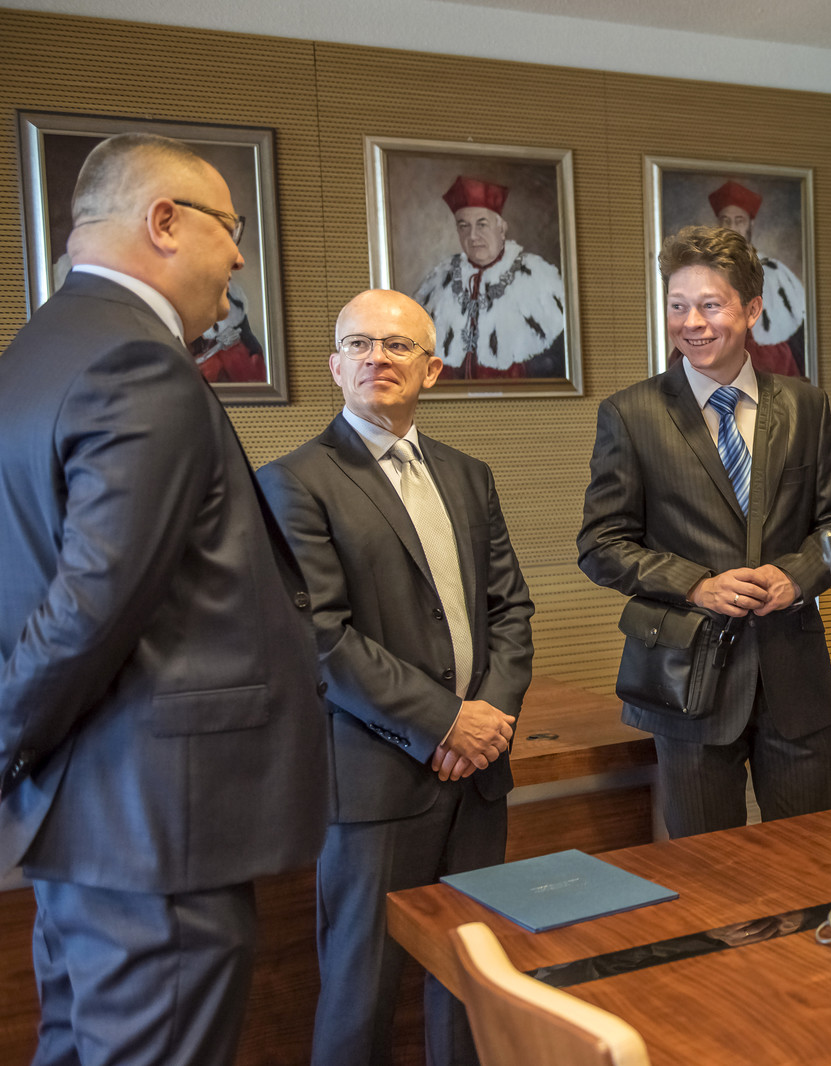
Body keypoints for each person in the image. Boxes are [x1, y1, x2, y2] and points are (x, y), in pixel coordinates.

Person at [0, 133, 330, 1066]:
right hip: (157, 827)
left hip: (80, 814)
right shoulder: (138, 364)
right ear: (164, 222)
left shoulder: (36, 353)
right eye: (231, 228)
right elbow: (92, 604)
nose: (239, 258)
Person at [258, 289, 535, 1065]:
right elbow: (320, 638)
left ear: (432, 369)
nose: (376, 358)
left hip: (477, 776)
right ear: (334, 367)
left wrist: (487, 720)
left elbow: (511, 609)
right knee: (361, 993)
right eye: (359, 344)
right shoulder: (294, 482)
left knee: (471, 982)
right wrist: (445, 721)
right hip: (374, 784)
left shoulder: (469, 476)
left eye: (397, 345)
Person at [578, 225, 831, 838]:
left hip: (795, 681)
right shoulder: (631, 414)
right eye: (678, 305)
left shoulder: (805, 406)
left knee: (815, 862)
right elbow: (601, 545)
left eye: (710, 305)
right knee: (706, 873)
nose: (692, 323)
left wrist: (797, 576)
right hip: (688, 685)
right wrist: (697, 585)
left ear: (753, 309)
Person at [413, 174, 566, 380]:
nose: (472, 236)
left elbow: (555, 362)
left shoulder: (537, 276)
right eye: (463, 226)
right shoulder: (441, 279)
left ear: (501, 229)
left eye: (482, 224)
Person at [707, 179, 806, 377]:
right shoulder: (703, 276)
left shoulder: (775, 271)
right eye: (726, 221)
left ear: (750, 225)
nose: (732, 228)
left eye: (739, 221)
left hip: (773, 367)